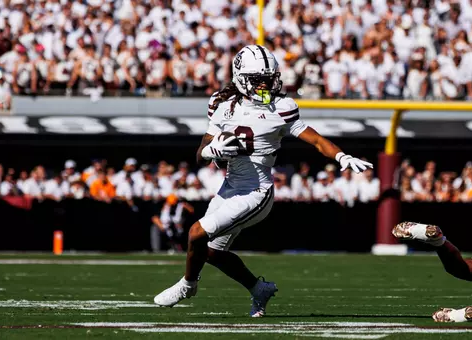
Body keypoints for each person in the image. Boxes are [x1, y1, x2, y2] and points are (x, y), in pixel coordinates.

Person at [154, 45, 373, 317]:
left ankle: (188, 285)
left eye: (269, 78)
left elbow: (315, 139)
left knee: (196, 233)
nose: (266, 84)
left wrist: (341, 156)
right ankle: (258, 289)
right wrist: (212, 151)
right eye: (259, 79)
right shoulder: (221, 104)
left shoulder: (281, 106)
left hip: (257, 191)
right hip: (229, 187)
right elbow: (200, 153)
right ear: (241, 78)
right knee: (208, 252)